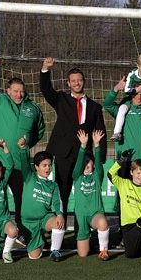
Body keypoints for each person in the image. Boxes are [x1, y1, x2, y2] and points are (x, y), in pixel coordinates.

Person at [0, 56, 45, 245]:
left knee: (21, 200)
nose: (18, 95)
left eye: (21, 91)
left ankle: (22, 231)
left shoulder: (32, 108)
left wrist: (28, 140)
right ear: (8, 91)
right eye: (15, 91)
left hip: (19, 162)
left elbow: (40, 129)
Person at [40, 57, 107, 225]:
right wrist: (45, 70)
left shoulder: (94, 107)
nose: (77, 83)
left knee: (85, 193)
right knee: (62, 191)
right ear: (68, 83)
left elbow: (100, 132)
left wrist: (100, 157)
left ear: (83, 82)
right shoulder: (61, 99)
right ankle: (59, 228)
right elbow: (46, 90)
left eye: (79, 80)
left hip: (84, 156)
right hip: (63, 153)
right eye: (73, 81)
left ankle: (82, 228)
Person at [17, 135, 65, 262]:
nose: (48, 168)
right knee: (35, 256)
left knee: (58, 223)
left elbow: (57, 201)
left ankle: (55, 251)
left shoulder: (52, 185)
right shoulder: (29, 177)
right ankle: (40, 241)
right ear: (36, 166)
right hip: (29, 222)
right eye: (44, 165)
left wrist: (60, 214)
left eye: (49, 165)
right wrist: (23, 149)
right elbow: (24, 163)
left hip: (44, 218)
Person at [108, 153, 141, 263]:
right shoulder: (123, 184)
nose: (140, 176)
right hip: (128, 224)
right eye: (138, 173)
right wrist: (121, 160)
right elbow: (110, 174)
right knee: (130, 254)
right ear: (131, 172)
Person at [72, 129, 109, 260]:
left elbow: (99, 164)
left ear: (93, 164)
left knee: (103, 223)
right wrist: (83, 146)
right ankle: (89, 240)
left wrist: (97, 145)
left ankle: (103, 251)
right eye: (84, 162)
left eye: (89, 162)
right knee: (83, 254)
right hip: (81, 216)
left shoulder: (97, 176)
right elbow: (77, 165)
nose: (86, 164)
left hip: (95, 213)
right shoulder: (77, 177)